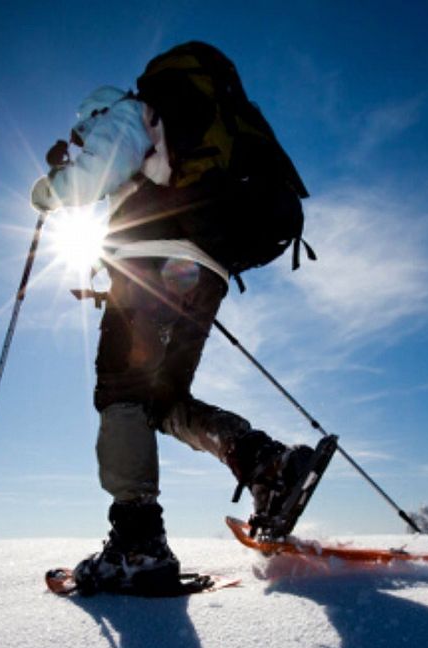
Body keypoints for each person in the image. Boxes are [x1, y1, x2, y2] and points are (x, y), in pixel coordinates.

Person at [30, 51, 318, 595]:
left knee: (122, 393)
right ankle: (267, 466)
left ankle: (137, 545)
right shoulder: (180, 137)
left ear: (93, 113)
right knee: (162, 401)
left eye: (81, 129)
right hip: (203, 271)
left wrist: (52, 189)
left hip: (153, 266)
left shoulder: (126, 112)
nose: (80, 137)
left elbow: (95, 172)